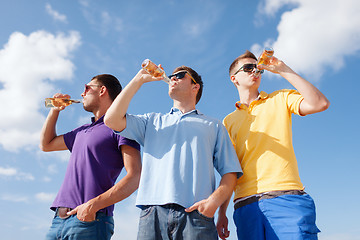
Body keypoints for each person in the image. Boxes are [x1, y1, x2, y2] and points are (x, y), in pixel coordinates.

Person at [104, 65, 243, 240]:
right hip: (152, 213)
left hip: (197, 215)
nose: (173, 78)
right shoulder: (151, 121)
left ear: (195, 87)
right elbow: (111, 119)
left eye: (180, 75)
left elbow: (230, 172)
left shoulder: (214, 125)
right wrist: (139, 79)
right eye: (172, 76)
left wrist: (213, 203)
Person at [217, 50, 330, 240]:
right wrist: (222, 213)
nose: (255, 71)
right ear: (234, 78)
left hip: (286, 198)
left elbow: (320, 103)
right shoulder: (228, 121)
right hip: (245, 206)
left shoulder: (281, 98)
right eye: (248, 68)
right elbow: (230, 169)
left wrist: (282, 69)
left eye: (257, 68)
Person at [40, 74, 141, 240]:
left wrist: (92, 206)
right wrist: (54, 111)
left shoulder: (122, 126)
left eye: (87, 88)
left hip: (90, 220)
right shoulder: (81, 131)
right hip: (58, 221)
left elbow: (134, 176)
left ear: (102, 91)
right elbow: (46, 145)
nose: (82, 93)